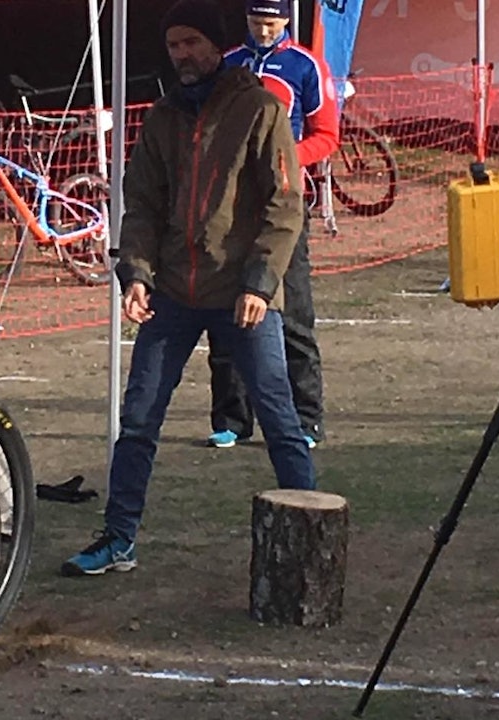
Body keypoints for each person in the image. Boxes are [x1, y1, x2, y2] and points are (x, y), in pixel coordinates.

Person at [61, 0, 315, 577]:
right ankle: (118, 537)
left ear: (216, 45)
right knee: (140, 419)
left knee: (278, 416)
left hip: (243, 294)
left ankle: (309, 535)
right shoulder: (162, 117)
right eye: (174, 45)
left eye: (191, 43)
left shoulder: (261, 109)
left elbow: (283, 207)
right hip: (172, 291)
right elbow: (143, 206)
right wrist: (137, 276)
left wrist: (259, 282)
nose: (182, 55)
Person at [210, 0, 338, 450]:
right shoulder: (227, 64)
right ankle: (231, 417)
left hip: (284, 207)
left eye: (270, 22)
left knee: (293, 313)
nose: (262, 31)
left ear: (285, 20)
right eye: (254, 22)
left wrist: (284, 161)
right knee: (226, 307)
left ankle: (305, 417)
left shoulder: (304, 65)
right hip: (230, 209)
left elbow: (327, 135)